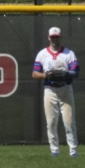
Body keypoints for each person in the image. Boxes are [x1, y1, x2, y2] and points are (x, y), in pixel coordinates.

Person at [32, 26, 79, 158]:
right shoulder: (42, 54)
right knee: (51, 122)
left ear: (60, 37)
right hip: (50, 90)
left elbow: (76, 72)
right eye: (52, 37)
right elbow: (35, 74)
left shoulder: (69, 53)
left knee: (69, 121)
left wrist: (65, 74)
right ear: (48, 37)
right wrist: (47, 76)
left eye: (56, 37)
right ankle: (55, 151)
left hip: (65, 89)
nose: (54, 39)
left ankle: (73, 151)